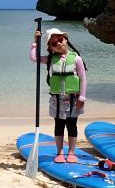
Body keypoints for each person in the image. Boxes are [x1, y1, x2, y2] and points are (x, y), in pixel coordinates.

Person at [29, 28, 87, 162]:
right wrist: (35, 42)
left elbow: (83, 79)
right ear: (51, 48)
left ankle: (72, 152)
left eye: (60, 40)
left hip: (73, 99)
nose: (59, 44)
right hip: (57, 100)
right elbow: (34, 57)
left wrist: (82, 97)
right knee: (59, 126)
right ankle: (60, 152)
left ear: (65, 39)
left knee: (72, 126)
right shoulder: (50, 59)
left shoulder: (76, 59)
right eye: (54, 43)